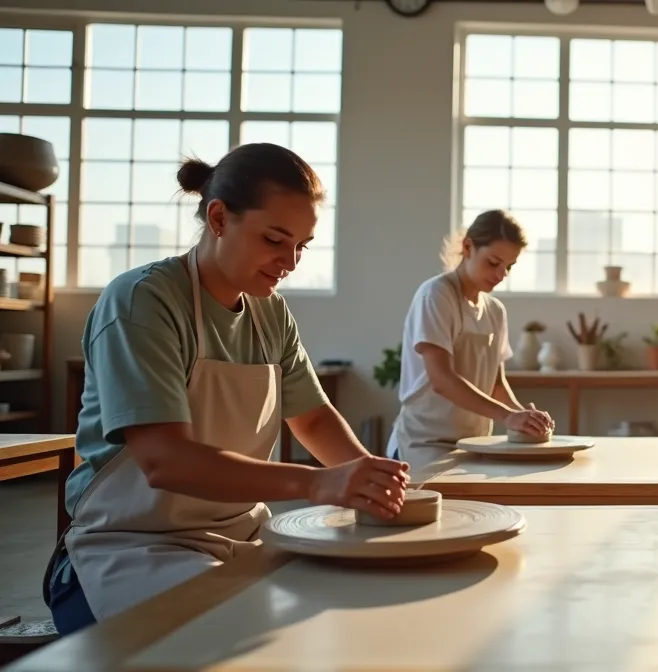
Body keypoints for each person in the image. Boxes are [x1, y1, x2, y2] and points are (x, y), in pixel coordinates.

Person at [43, 144, 411, 634]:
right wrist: (316, 483)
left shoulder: (270, 312)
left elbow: (315, 419)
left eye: (302, 245)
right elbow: (164, 459)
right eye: (275, 239)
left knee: (349, 606)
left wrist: (367, 480)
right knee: (238, 636)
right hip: (128, 550)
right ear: (218, 218)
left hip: (243, 538)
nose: (290, 260)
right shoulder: (142, 301)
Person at [386, 209, 553, 468]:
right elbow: (442, 379)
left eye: (509, 267)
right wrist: (508, 417)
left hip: (473, 445)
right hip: (424, 444)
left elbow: (496, 385)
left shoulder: (495, 311)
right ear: (468, 247)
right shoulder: (436, 295)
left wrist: (523, 416)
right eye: (493, 263)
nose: (501, 275)